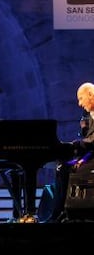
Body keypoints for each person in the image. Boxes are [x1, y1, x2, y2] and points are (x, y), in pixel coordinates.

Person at [49, 82, 94, 222]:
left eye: (81, 98)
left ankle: (62, 212)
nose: (80, 104)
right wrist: (82, 158)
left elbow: (92, 141)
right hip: (91, 156)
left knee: (66, 169)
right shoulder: (88, 115)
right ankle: (60, 211)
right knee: (62, 166)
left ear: (91, 95)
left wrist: (76, 146)